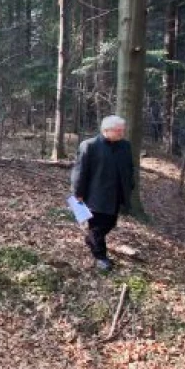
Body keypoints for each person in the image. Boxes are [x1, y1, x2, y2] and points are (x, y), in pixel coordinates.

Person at [71, 115, 135, 271]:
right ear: (106, 130)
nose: (122, 133)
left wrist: (130, 185)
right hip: (95, 196)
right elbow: (80, 172)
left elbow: (130, 168)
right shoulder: (89, 146)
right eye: (118, 131)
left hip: (116, 195)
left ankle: (90, 240)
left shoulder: (125, 146)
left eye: (122, 130)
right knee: (97, 228)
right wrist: (77, 193)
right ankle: (101, 257)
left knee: (110, 223)